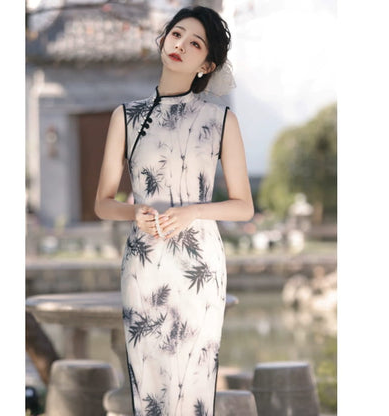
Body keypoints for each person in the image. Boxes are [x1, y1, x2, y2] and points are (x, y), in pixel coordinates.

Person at [95, 6, 254, 415]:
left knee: (191, 386)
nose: (180, 44)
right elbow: (103, 203)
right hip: (143, 265)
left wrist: (194, 212)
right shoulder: (125, 117)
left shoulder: (221, 120)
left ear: (208, 65)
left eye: (195, 43)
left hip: (199, 268)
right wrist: (133, 213)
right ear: (164, 38)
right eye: (177, 34)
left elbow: (243, 207)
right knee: (149, 387)